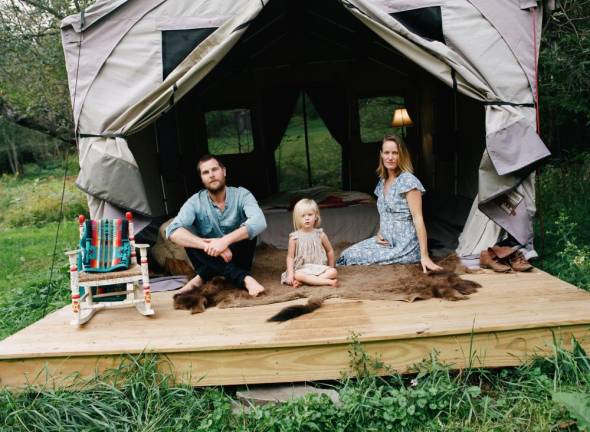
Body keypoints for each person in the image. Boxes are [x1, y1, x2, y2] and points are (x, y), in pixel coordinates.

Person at [337, 134, 442, 273]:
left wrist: (425, 255)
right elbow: (385, 212)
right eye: (387, 152)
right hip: (385, 242)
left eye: (395, 153)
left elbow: (418, 218)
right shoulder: (382, 181)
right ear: (381, 154)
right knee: (346, 254)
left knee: (352, 258)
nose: (390, 157)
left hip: (404, 246)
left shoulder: (408, 181)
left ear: (401, 155)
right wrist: (381, 231)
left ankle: (416, 256)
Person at [166, 155, 267, 296]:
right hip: (209, 254)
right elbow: (172, 231)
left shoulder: (242, 194)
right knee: (187, 235)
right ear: (201, 178)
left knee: (249, 229)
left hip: (239, 256)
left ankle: (201, 277)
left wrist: (224, 241)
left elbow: (260, 221)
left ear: (224, 171)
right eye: (205, 172)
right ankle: (245, 278)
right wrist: (207, 244)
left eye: (215, 169)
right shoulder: (195, 202)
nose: (211, 175)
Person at [281, 199, 338, 287]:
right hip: (302, 269)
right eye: (303, 216)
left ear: (316, 216)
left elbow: (330, 251)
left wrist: (331, 266)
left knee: (333, 272)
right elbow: (290, 257)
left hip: (319, 267)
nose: (307, 218)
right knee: (297, 275)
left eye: (310, 214)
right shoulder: (294, 237)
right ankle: (328, 282)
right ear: (298, 218)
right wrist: (290, 274)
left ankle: (306, 282)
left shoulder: (320, 234)